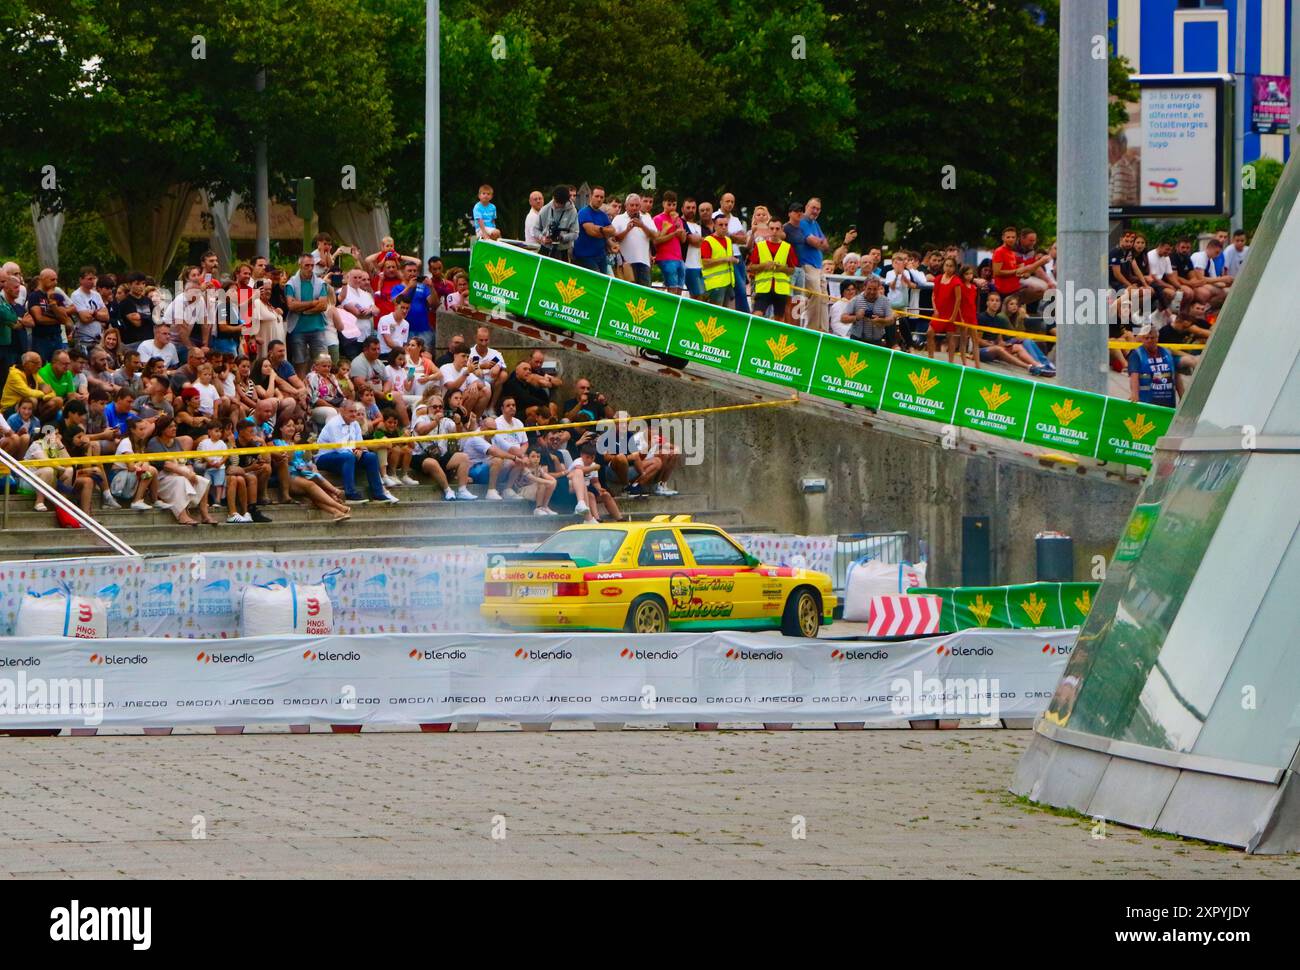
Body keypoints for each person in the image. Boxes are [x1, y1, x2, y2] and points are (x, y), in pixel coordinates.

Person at [315, 401, 397, 504]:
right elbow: (340, 449)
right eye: (351, 411)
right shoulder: (333, 424)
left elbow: (360, 444)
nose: (354, 414)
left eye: (355, 411)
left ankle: (378, 494)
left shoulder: (355, 424)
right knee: (348, 456)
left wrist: (361, 450)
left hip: (348, 455)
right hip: (324, 457)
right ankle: (350, 494)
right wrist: (356, 450)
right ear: (341, 411)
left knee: (370, 457)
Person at [278, 417, 352, 521]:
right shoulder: (276, 443)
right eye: (288, 426)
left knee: (314, 495)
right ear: (280, 428)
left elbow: (306, 459)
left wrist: (311, 461)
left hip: (303, 473)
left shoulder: (299, 442)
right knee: (312, 485)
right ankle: (339, 505)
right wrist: (293, 444)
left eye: (292, 426)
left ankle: (336, 513)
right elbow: (288, 459)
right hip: (290, 475)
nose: (291, 428)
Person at [145, 416, 215, 526]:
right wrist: (185, 474)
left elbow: (186, 461)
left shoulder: (176, 442)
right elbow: (165, 464)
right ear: (162, 429)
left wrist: (191, 473)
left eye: (174, 426)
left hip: (179, 473)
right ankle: (182, 515)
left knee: (202, 481)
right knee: (180, 481)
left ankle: (204, 514)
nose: (174, 428)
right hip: (162, 478)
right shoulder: (154, 442)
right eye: (170, 427)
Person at [284, 253, 334, 376]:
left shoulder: (320, 283)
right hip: (297, 329)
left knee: (322, 362)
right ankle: (301, 389)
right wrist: (313, 303)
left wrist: (303, 309)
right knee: (300, 362)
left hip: (317, 328)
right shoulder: (291, 283)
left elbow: (323, 305)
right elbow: (291, 305)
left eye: (312, 265)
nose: (310, 268)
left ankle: (322, 389)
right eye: (307, 265)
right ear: (300, 265)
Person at [748, 219, 797, 320]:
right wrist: (764, 266)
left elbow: (792, 270)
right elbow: (751, 267)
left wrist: (781, 268)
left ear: (781, 230)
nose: (774, 231)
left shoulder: (788, 247)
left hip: (781, 289)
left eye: (777, 229)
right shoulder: (760, 246)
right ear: (768, 230)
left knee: (779, 319)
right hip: (763, 287)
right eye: (772, 228)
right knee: (757, 315)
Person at [1128, 323, 1183, 408]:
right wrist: (1134, 395)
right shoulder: (1136, 354)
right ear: (1142, 339)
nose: (1149, 340)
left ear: (1157, 338)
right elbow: (1134, 376)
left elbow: (1176, 375)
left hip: (1168, 402)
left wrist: (1182, 396)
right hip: (1147, 402)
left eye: (1152, 338)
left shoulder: (1168, 353)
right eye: (1146, 338)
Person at [701, 212, 737, 307]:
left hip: (728, 282)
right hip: (715, 284)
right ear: (714, 226)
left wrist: (734, 260)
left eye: (726, 225)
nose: (724, 227)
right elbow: (705, 262)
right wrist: (725, 259)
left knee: (725, 312)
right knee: (715, 312)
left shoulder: (728, 240)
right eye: (721, 225)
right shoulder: (708, 241)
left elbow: (729, 257)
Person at [537, 185, 578, 262]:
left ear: (567, 200)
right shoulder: (545, 209)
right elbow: (535, 229)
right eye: (556, 203)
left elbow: (576, 233)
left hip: (563, 250)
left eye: (561, 204)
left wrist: (563, 237)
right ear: (553, 198)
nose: (558, 206)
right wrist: (543, 238)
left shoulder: (572, 211)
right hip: (546, 248)